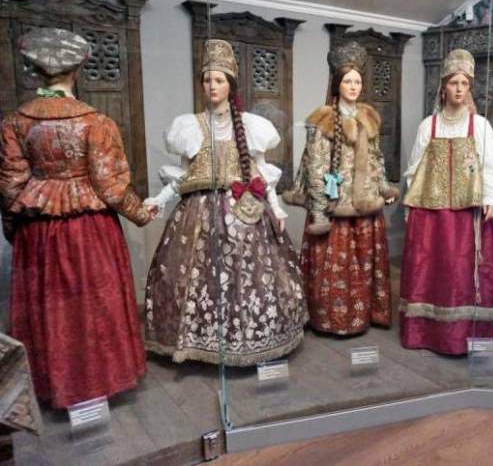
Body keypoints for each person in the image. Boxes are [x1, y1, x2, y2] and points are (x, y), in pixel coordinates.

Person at [0, 27, 154, 408]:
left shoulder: (15, 122)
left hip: (38, 231)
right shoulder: (96, 122)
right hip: (90, 231)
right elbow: (110, 185)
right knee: (93, 303)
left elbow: (10, 185)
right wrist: (141, 213)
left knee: (50, 307)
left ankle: (56, 386)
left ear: (35, 71)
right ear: (77, 70)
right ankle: (96, 386)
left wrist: (13, 229)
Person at [143, 39, 307, 365]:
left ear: (230, 84)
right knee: (200, 278)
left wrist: (276, 208)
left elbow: (260, 174)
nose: (212, 86)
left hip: (244, 212)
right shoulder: (189, 126)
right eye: (207, 80)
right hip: (198, 215)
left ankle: (252, 340)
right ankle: (202, 340)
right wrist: (158, 201)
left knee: (248, 279)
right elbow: (183, 176)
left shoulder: (250, 126)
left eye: (219, 80)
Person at [284, 41, 399, 336]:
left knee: (365, 260)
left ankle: (366, 314)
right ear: (337, 84)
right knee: (334, 262)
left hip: (366, 202)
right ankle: (330, 319)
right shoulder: (323, 119)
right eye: (348, 81)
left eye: (357, 81)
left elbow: (376, 158)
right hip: (334, 205)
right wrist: (320, 210)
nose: (353, 86)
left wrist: (383, 188)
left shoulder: (369, 116)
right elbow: (315, 166)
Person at [399, 48, 493, 355]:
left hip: (467, 214)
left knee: (462, 272)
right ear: (443, 86)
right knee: (430, 271)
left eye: (465, 84)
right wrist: (412, 205)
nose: (459, 89)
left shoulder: (480, 125)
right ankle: (426, 333)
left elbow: (491, 166)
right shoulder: (428, 126)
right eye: (454, 83)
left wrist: (490, 196)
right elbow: (415, 169)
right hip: (431, 215)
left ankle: (464, 334)